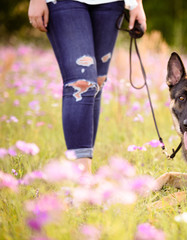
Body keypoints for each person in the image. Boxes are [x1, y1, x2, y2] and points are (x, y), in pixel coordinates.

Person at [28, 0, 146, 173]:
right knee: (81, 84)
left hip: (110, 4)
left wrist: (137, 4)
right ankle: (82, 177)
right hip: (64, 3)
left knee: (97, 82)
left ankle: (83, 172)